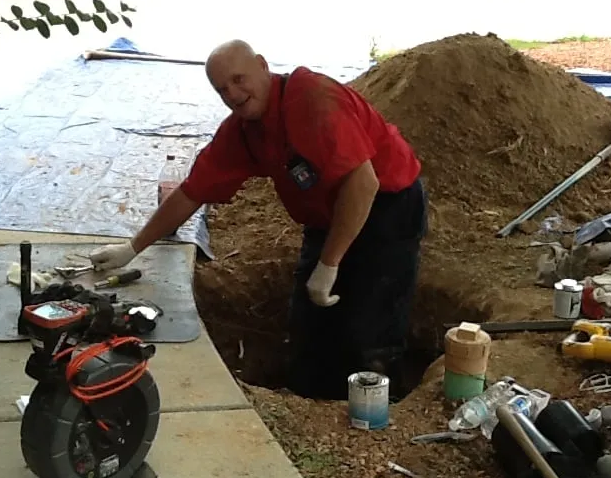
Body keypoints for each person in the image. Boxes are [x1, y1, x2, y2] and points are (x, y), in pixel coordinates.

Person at [89, 40, 427, 401]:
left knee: (370, 325)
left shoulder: (312, 99)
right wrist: (132, 247)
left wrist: (330, 263)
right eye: (222, 89)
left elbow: (364, 183)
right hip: (327, 215)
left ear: (263, 66)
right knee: (309, 325)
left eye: (239, 79)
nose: (233, 94)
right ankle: (310, 403)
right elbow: (191, 191)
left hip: (385, 207)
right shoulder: (244, 131)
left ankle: (376, 411)